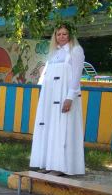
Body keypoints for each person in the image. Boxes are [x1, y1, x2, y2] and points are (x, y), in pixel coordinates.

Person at [30, 24, 85, 176]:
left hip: (64, 97)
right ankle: (48, 163)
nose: (61, 37)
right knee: (49, 128)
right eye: (58, 34)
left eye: (64, 34)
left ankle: (61, 167)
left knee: (62, 129)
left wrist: (70, 98)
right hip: (50, 98)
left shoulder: (75, 51)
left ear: (70, 35)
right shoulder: (54, 52)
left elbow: (76, 76)